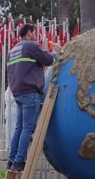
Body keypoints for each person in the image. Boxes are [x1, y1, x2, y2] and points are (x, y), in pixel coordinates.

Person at [5, 23, 62, 171]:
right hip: (30, 92)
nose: (35, 36)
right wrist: (56, 52)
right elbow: (50, 61)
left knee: (19, 128)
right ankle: (18, 162)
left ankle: (11, 160)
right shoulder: (30, 46)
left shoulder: (12, 51)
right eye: (34, 33)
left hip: (17, 93)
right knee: (27, 129)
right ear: (29, 33)